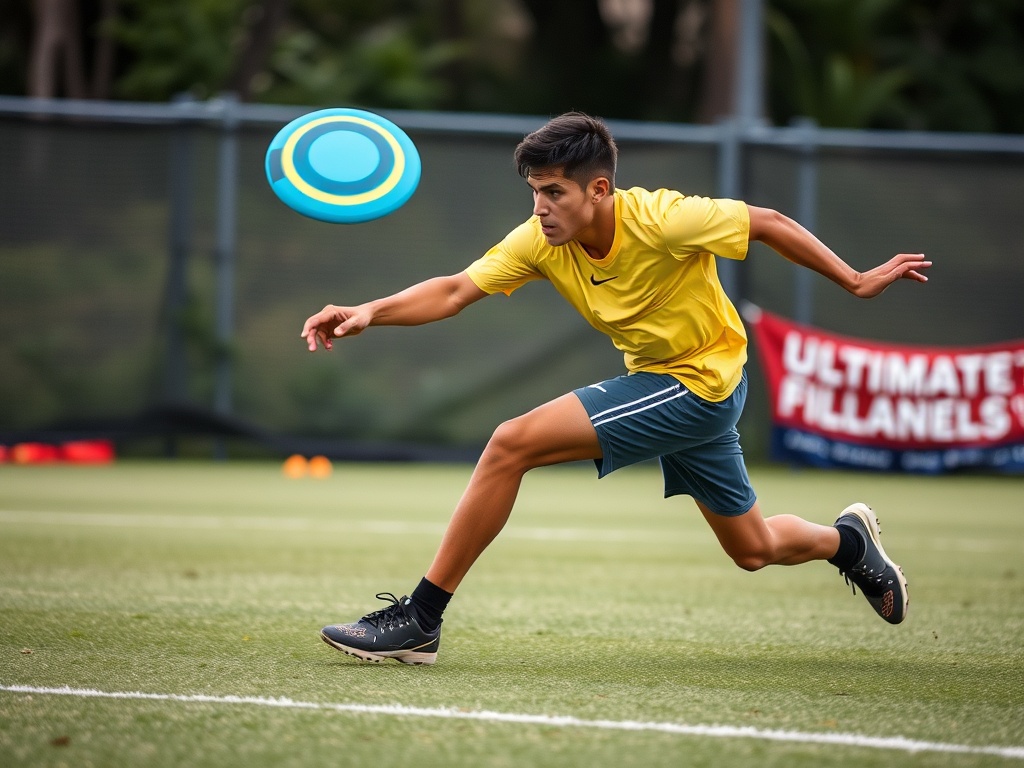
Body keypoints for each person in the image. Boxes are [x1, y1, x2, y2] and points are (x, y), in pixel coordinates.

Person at [301, 112, 930, 666]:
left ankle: (421, 618)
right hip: (671, 387)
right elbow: (456, 289)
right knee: (754, 548)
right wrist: (370, 311)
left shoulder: (663, 218)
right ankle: (849, 541)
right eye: (534, 191)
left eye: (554, 191)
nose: (540, 206)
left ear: (599, 189)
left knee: (509, 444)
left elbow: (764, 222)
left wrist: (853, 280)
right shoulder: (543, 240)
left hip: (700, 383)